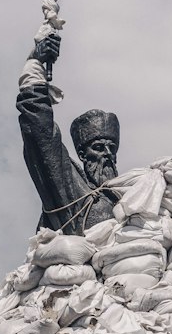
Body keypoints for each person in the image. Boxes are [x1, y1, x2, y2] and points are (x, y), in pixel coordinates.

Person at [16, 31, 120, 233]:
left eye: (112, 148)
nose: (108, 154)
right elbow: (42, 138)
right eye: (98, 147)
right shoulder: (75, 194)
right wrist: (35, 63)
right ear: (82, 154)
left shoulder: (133, 198)